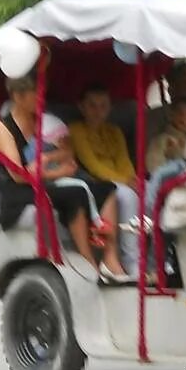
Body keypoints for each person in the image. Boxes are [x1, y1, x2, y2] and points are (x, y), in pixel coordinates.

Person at [0, 76, 131, 281]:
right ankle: (88, 259)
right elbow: (19, 175)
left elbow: (67, 155)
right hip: (18, 190)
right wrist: (59, 172)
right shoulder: (3, 127)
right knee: (76, 192)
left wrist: (48, 157)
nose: (41, 99)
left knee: (106, 188)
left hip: (45, 180)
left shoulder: (42, 122)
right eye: (35, 94)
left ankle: (110, 258)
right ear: (18, 96)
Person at [68, 84, 141, 272]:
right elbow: (93, 165)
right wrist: (127, 182)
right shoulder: (76, 130)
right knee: (128, 195)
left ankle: (151, 261)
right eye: (92, 105)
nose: (98, 111)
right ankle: (130, 260)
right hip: (94, 181)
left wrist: (133, 179)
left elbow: (123, 160)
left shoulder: (114, 131)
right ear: (82, 107)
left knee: (149, 192)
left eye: (103, 106)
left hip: (120, 179)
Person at [144, 93, 186, 213]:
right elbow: (153, 164)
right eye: (179, 113)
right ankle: (151, 210)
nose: (183, 117)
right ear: (172, 115)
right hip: (172, 180)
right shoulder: (164, 139)